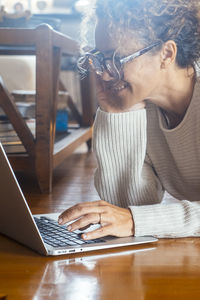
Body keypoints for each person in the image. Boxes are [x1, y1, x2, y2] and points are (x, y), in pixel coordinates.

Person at [58, 0, 200, 240]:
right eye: (100, 59)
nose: (104, 74)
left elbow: (134, 219)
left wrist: (135, 221)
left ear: (166, 54)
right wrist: (116, 114)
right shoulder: (144, 106)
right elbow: (126, 208)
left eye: (116, 59)